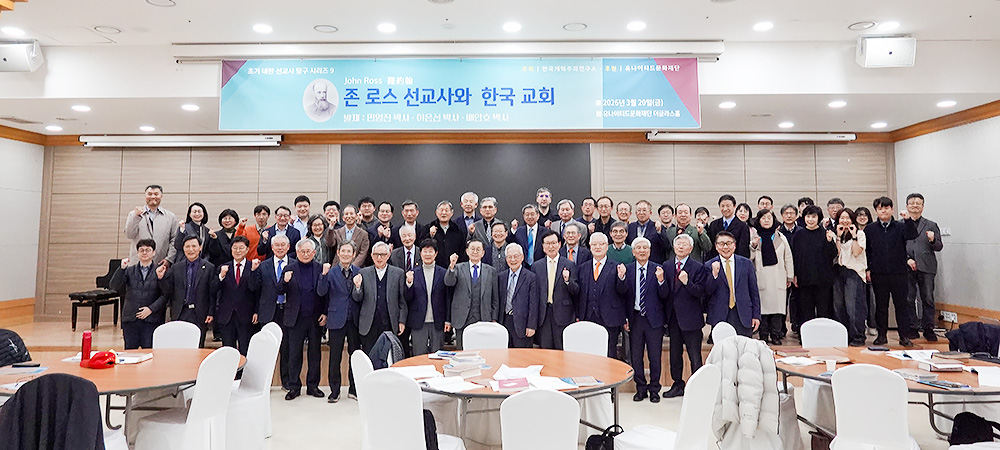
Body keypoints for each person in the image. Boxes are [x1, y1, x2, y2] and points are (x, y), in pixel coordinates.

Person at [615, 237, 669, 403]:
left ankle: (654, 389)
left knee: (654, 356)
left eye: (645, 248)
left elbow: (665, 295)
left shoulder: (658, 269)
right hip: (635, 318)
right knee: (636, 356)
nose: (642, 250)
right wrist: (621, 278)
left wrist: (661, 280)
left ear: (650, 251)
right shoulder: (628, 269)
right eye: (638, 248)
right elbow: (622, 294)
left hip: (654, 320)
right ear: (633, 252)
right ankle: (641, 388)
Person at [277, 239, 328, 400]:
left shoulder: (320, 268)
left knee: (315, 354)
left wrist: (325, 313)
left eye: (308, 252)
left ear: (314, 253)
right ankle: (294, 387)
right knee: (294, 354)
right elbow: (279, 290)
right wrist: (284, 281)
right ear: (297, 252)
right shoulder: (289, 268)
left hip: (314, 318)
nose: (305, 254)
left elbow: (326, 294)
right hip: (295, 318)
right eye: (302, 252)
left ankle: (313, 386)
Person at [866, 196, 919, 347]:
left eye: (886, 208)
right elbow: (868, 251)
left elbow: (912, 235)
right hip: (878, 273)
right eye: (880, 208)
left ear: (892, 209)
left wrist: (908, 220)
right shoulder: (870, 229)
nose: (883, 211)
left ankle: (904, 336)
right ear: (876, 211)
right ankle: (882, 335)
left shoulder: (901, 226)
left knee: (901, 305)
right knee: (881, 306)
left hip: (899, 273)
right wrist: (868, 268)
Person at [317, 241, 363, 403]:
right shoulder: (330, 272)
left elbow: (361, 296)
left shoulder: (359, 272)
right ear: (338, 252)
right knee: (335, 356)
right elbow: (321, 292)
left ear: (354, 254)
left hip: (354, 320)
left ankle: (354, 389)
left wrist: (358, 286)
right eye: (343, 251)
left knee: (355, 356)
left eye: (349, 252)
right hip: (336, 319)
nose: (345, 254)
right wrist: (323, 275)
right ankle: (334, 391)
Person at [663, 233, 707, 398]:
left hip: (691, 318)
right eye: (678, 244)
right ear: (674, 247)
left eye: (684, 244)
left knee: (694, 355)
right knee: (675, 355)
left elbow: (701, 292)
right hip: (673, 319)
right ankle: (677, 385)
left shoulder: (698, 267)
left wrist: (687, 283)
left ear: (691, 248)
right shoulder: (667, 266)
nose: (680, 247)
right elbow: (664, 293)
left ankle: (698, 387)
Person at [158, 235, 218, 347]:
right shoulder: (176, 268)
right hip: (180, 312)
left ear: (200, 248)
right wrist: (161, 279)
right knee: (179, 345)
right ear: (183, 248)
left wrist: (210, 312)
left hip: (199, 313)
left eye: (194, 246)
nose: (191, 249)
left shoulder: (209, 267)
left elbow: (212, 293)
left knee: (198, 346)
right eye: (187, 246)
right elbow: (168, 291)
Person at [577, 232, 627, 358]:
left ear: (607, 246)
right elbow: (579, 294)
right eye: (594, 244)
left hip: (609, 318)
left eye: (601, 244)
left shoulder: (616, 266)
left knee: (609, 353)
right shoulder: (582, 268)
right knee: (589, 353)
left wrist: (621, 277)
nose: (597, 247)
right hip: (588, 317)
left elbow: (623, 292)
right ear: (590, 246)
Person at [352, 242, 408, 352]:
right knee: (369, 356)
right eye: (376, 254)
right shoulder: (363, 272)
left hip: (390, 322)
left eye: (382, 254)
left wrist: (402, 321)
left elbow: (402, 301)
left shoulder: (398, 273)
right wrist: (357, 287)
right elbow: (357, 298)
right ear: (371, 256)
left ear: (388, 255)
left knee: (389, 355)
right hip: (369, 324)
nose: (379, 258)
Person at [110, 239, 166, 349]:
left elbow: (165, 295)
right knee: (130, 353)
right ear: (137, 253)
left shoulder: (159, 271)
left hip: (151, 320)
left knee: (149, 353)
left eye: (148, 250)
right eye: (141, 250)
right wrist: (121, 269)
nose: (144, 253)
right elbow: (114, 286)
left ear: (154, 252)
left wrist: (151, 309)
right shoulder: (129, 271)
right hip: (131, 319)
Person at [445, 239, 500, 348]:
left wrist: (494, 317)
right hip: (462, 317)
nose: (475, 252)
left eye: (478, 249)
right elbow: (448, 282)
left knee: (482, 350)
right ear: (467, 251)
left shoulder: (491, 271)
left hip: (484, 317)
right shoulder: (458, 267)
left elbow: (495, 297)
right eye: (472, 249)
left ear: (483, 253)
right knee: (462, 349)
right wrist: (451, 266)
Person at [704, 231, 761, 337]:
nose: (725, 247)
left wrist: (756, 315)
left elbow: (754, 291)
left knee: (744, 345)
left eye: (729, 243)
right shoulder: (709, 265)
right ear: (716, 246)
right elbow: (707, 291)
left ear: (734, 245)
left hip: (743, 314)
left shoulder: (746, 263)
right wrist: (714, 275)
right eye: (721, 244)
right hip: (720, 315)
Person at [750, 210, 794, 346]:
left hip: (778, 277)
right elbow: (749, 258)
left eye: (769, 218)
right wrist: (753, 246)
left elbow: (788, 257)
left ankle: (776, 334)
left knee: (777, 309)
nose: (766, 220)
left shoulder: (780, 237)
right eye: (763, 218)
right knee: (763, 309)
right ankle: (763, 334)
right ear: (759, 220)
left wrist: (789, 276)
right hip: (761, 277)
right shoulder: (755, 238)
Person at [904, 193, 944, 342]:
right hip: (906, 267)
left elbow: (939, 247)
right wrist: (907, 259)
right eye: (912, 203)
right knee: (909, 298)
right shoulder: (901, 224)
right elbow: (896, 247)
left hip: (927, 266)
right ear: (907, 206)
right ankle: (912, 327)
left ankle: (928, 328)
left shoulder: (931, 224)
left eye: (918, 203)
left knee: (927, 298)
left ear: (923, 206)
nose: (915, 205)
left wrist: (933, 240)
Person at [532, 231, 579, 350]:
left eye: (553, 243)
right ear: (543, 246)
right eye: (547, 243)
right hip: (544, 314)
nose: (551, 246)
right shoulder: (536, 266)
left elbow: (576, 291)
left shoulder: (569, 264)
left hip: (563, 314)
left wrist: (567, 281)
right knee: (545, 350)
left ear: (559, 244)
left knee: (562, 350)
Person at [791, 205, 838, 324]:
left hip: (823, 280)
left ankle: (823, 334)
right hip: (804, 279)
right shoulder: (798, 235)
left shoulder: (825, 233)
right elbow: (795, 256)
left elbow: (833, 255)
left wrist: (829, 242)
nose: (810, 219)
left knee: (824, 310)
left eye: (813, 217)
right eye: (808, 216)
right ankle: (806, 334)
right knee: (805, 311)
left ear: (819, 218)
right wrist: (794, 275)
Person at [257, 234, 292, 391]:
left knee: (286, 348)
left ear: (288, 247)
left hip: (288, 310)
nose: (279, 248)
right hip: (268, 311)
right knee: (267, 349)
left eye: (283, 245)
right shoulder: (263, 266)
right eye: (276, 245)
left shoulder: (294, 265)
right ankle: (265, 383)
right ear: (272, 247)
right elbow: (256, 290)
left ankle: (286, 381)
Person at [214, 236, 260, 355]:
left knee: (245, 349)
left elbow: (256, 290)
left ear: (247, 249)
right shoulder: (224, 267)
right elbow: (214, 289)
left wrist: (256, 311)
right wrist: (221, 276)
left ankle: (244, 369)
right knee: (228, 350)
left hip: (246, 315)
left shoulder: (254, 267)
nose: (238, 251)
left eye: (241, 248)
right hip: (227, 315)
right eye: (235, 248)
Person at [404, 239, 449, 355]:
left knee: (438, 355)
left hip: (438, 321)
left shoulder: (443, 273)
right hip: (418, 322)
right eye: (425, 251)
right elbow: (408, 298)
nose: (427, 254)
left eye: (430, 251)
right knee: (419, 355)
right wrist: (409, 283)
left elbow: (447, 299)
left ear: (436, 253)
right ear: (420, 253)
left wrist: (448, 320)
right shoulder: (413, 273)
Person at [832, 208, 868, 347]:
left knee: (853, 307)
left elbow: (857, 252)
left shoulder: (860, 234)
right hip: (838, 271)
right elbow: (836, 253)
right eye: (842, 218)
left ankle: (858, 335)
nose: (845, 221)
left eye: (847, 218)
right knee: (839, 306)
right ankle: (844, 335)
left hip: (854, 272)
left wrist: (853, 236)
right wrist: (838, 237)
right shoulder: (836, 234)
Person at [124, 184, 178, 267]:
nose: (153, 197)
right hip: (137, 265)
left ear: (161, 196)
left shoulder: (171, 217)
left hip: (160, 264)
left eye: (156, 194)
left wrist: (169, 259)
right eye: (149, 194)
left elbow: (174, 240)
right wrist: (136, 217)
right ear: (145, 196)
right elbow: (129, 235)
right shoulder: (133, 214)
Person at [497, 244, 539, 348]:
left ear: (522, 257)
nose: (513, 260)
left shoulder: (530, 277)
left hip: (523, 324)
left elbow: (533, 303)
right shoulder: (501, 276)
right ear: (506, 259)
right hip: (504, 322)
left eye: (516, 256)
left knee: (522, 355)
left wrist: (531, 325)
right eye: (510, 257)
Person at [854, 206, 877, 336]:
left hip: (871, 268)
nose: (862, 217)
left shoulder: (873, 230)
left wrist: (869, 269)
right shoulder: (852, 231)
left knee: (871, 299)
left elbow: (873, 252)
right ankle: (860, 324)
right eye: (859, 215)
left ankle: (872, 324)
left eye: (865, 215)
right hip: (856, 269)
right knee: (859, 299)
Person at [426, 200, 469, 268]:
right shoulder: (429, 228)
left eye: (446, 210)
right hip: (434, 268)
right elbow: (423, 247)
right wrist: (430, 235)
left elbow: (462, 251)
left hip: (454, 267)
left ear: (452, 213)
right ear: (436, 212)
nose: (444, 213)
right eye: (441, 210)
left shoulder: (458, 230)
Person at [707, 195, 751, 259]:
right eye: (722, 206)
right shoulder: (713, 224)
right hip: (717, 262)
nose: (725, 209)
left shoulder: (742, 226)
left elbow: (743, 250)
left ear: (734, 206)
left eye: (728, 206)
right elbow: (711, 247)